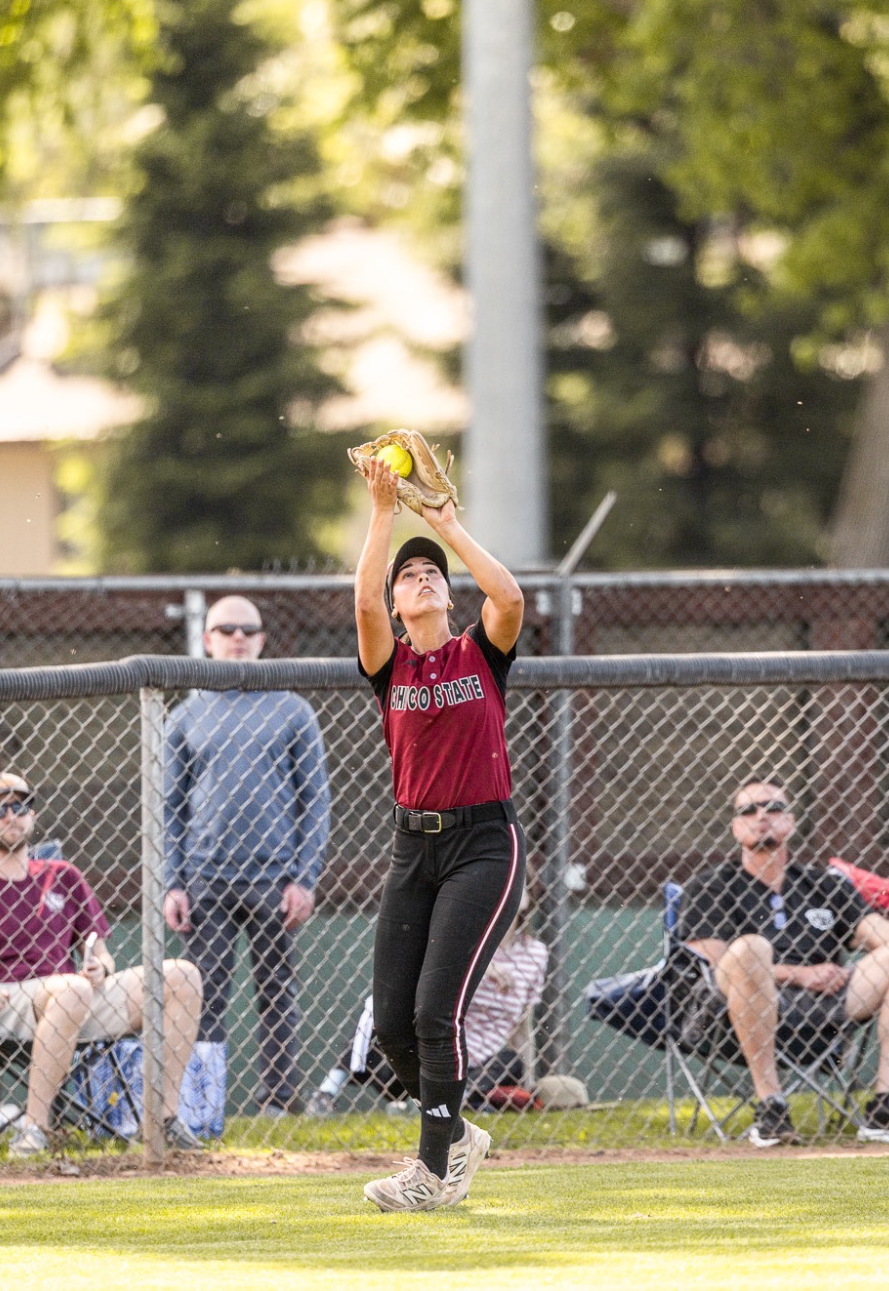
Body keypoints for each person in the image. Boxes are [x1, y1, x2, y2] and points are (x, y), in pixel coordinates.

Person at [351, 453, 525, 1212]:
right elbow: (361, 608)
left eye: (432, 575)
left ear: (449, 596)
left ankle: (431, 1174)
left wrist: (444, 526)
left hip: (484, 844)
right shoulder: (392, 667)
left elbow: (510, 594)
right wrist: (384, 512)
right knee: (392, 1022)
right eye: (408, 577)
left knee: (434, 1012)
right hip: (411, 847)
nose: (421, 579)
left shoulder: (479, 653)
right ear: (396, 604)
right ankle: (456, 1133)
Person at [0, 772, 208, 1156]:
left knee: (182, 975)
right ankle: (34, 1127)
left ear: (33, 815)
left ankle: (162, 1120)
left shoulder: (63, 876)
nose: (11, 815)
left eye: (21, 806)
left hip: (73, 994)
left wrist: (101, 966)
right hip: (3, 1003)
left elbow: (99, 950)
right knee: (72, 989)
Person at [677, 776, 889, 1145]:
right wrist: (799, 974)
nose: (762, 816)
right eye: (749, 810)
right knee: (751, 948)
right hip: (737, 1009)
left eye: (774, 808)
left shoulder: (825, 885)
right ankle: (770, 1106)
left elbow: (878, 932)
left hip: (827, 1005)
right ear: (736, 827)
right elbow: (717, 963)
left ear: (790, 822)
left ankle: (887, 1104)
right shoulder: (710, 886)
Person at [163, 593, 330, 1127]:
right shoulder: (186, 716)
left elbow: (316, 800)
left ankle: (277, 1103)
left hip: (275, 880)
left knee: (278, 994)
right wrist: (173, 883)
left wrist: (304, 879)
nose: (237, 637)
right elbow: (170, 807)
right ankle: (202, 1109)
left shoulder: (292, 710)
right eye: (225, 629)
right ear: (207, 640)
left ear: (262, 640)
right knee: (202, 997)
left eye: (248, 630)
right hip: (204, 880)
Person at [312, 913, 548, 1114]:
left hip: (480, 1063)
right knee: (376, 1007)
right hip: (435, 1050)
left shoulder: (535, 953)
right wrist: (482, 967)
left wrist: (529, 1084)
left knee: (511, 1060)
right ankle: (326, 1093)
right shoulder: (464, 942)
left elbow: (522, 1025)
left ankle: (446, 1105)